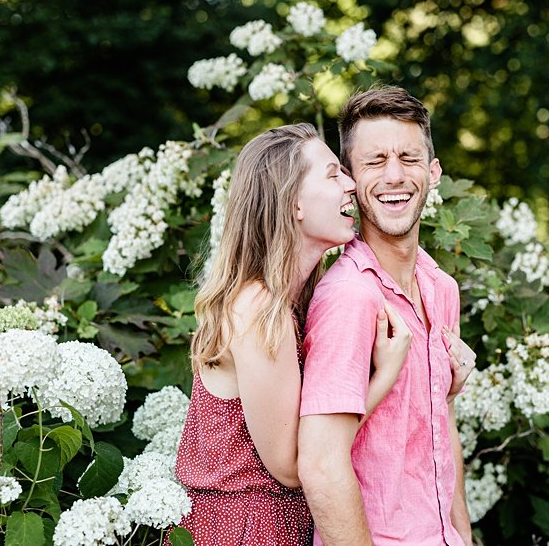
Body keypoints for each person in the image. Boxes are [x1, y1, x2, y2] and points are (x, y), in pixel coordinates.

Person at [174, 123, 413, 546]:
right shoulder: (257, 309)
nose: (352, 185)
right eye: (333, 174)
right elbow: (289, 465)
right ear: (294, 204)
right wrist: (384, 377)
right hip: (243, 531)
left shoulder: (293, 303)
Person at [298, 87, 477, 545]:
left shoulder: (442, 289)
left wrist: (463, 535)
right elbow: (320, 465)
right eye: (375, 161)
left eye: (409, 158)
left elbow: (443, 430)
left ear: (433, 172)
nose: (394, 176)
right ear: (350, 178)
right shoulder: (349, 297)